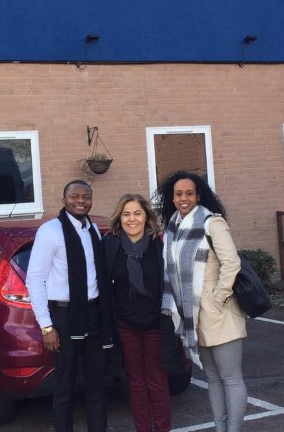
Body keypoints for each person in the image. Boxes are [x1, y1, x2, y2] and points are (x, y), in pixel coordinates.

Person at [158, 171, 247, 432]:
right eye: (178, 194)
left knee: (230, 378)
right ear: (172, 198)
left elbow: (232, 263)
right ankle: (220, 427)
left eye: (189, 193)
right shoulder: (173, 226)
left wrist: (219, 297)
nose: (183, 198)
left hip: (219, 312)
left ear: (198, 196)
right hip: (193, 313)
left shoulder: (211, 223)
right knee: (212, 378)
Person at [26, 179, 114, 432]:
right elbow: (35, 279)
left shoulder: (93, 230)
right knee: (64, 387)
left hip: (94, 314)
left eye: (86, 196)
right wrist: (46, 326)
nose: (80, 201)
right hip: (64, 318)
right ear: (64, 200)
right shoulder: (51, 231)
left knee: (97, 386)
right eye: (74, 197)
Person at [103, 194, 170, 432]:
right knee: (136, 382)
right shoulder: (110, 245)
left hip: (155, 324)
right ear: (119, 218)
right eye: (126, 214)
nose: (132, 219)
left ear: (146, 216)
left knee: (157, 380)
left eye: (137, 213)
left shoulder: (159, 245)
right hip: (126, 325)